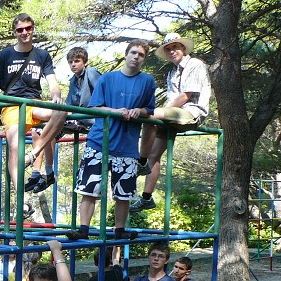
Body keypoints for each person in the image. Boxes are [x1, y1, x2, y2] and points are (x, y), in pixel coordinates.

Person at [66, 41, 156, 241]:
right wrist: (116, 111)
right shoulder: (107, 78)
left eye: (141, 55)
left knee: (123, 194)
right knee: (89, 189)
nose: (136, 57)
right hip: (99, 141)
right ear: (126, 54)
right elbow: (95, 107)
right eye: (133, 53)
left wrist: (138, 111)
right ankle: (83, 229)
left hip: (127, 146)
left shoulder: (147, 81)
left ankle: (120, 229)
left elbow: (149, 109)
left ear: (144, 59)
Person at [0, 14, 68, 196]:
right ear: (15, 32)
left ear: (33, 29)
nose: (24, 32)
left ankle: (34, 154)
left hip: (34, 103)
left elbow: (53, 83)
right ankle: (21, 197)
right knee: (14, 147)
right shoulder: (4, 55)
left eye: (28, 28)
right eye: (20, 30)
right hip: (12, 105)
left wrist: (56, 97)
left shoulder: (42, 55)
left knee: (61, 112)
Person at [131, 33, 211, 213]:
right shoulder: (172, 73)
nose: (172, 51)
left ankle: (140, 162)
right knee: (154, 154)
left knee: (149, 115)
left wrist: (158, 113)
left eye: (175, 47)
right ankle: (146, 198)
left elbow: (185, 96)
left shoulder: (195, 64)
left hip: (192, 112)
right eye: (168, 49)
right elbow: (172, 99)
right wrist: (162, 115)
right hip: (174, 116)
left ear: (183, 48)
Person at [64, 47, 102, 131]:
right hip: (83, 119)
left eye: (77, 61)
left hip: (98, 118)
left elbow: (105, 95)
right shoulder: (73, 81)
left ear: (85, 62)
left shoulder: (91, 73)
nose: (73, 64)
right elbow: (69, 105)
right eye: (70, 62)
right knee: (57, 119)